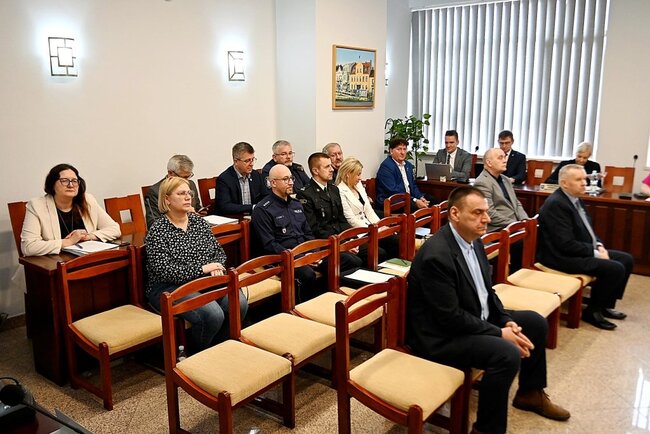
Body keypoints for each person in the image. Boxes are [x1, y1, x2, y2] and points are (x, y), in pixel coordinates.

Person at [406, 186, 570, 434]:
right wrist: (498, 333)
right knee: (506, 354)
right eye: (477, 213)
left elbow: (487, 292)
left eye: (486, 212)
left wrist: (504, 320)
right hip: (440, 336)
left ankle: (530, 393)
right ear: (455, 214)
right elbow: (449, 317)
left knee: (535, 322)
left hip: (472, 317)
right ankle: (486, 429)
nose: (486, 219)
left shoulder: (474, 241)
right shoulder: (437, 255)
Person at [145, 177, 248, 353]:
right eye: (181, 193)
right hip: (170, 287)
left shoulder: (198, 222)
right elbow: (166, 270)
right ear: (167, 199)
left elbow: (218, 252)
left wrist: (216, 266)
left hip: (204, 280)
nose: (188, 197)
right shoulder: (158, 230)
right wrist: (203, 268)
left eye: (189, 193)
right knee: (213, 315)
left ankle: (221, 348)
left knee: (239, 303)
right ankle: (196, 354)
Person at [537, 164, 634, 330]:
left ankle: (604, 305)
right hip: (560, 257)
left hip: (578, 250)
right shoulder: (556, 204)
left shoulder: (575, 199)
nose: (584, 183)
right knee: (614, 268)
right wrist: (595, 253)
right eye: (579, 180)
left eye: (584, 179)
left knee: (626, 259)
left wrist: (599, 245)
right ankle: (593, 311)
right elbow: (564, 244)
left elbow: (588, 229)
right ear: (564, 183)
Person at [252, 164, 320, 302]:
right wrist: (301, 257)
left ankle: (328, 304)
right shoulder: (263, 209)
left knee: (341, 261)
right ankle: (303, 309)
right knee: (307, 274)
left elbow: (308, 233)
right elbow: (269, 244)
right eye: (285, 179)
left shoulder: (296, 204)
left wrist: (314, 253)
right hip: (282, 258)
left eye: (291, 178)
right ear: (273, 183)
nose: (291, 182)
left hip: (304, 253)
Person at [21, 163, 121, 256]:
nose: (71, 185)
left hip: (88, 259)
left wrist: (88, 236)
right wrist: (69, 241)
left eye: (74, 181)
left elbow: (115, 229)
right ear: (52, 184)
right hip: (56, 263)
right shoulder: (37, 205)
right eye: (64, 180)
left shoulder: (87, 200)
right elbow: (28, 247)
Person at [296, 153, 362, 272]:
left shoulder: (333, 189)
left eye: (331, 166)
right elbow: (315, 229)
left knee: (375, 250)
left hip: (340, 239)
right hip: (325, 243)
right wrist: (342, 244)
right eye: (327, 167)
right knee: (354, 261)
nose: (332, 169)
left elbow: (341, 219)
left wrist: (351, 239)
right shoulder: (306, 194)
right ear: (315, 171)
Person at [474, 148, 529, 271]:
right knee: (522, 241)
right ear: (489, 163)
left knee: (536, 233)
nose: (505, 160)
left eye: (504, 157)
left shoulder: (505, 179)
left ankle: (528, 272)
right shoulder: (482, 182)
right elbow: (489, 213)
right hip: (497, 228)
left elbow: (516, 203)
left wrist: (525, 221)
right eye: (500, 158)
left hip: (513, 224)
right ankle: (514, 275)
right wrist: (516, 225)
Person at [337, 157, 401, 260]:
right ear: (348, 174)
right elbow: (351, 219)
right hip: (359, 231)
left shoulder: (358, 185)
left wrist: (380, 226)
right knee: (381, 252)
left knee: (395, 239)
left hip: (371, 227)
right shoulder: (340, 190)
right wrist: (374, 230)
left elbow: (369, 210)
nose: (360, 178)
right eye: (358, 174)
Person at [144, 155, 202, 228]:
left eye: (188, 176)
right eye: (183, 177)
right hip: (170, 231)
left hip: (194, 228)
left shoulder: (191, 184)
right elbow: (152, 224)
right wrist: (184, 215)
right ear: (170, 173)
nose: (186, 181)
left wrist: (199, 212)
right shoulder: (155, 191)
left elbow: (197, 207)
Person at [376, 137, 432, 210]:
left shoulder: (408, 165)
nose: (402, 152)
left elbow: (413, 186)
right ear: (391, 151)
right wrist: (415, 200)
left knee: (432, 200)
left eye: (404, 149)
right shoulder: (386, 167)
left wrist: (420, 197)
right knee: (416, 207)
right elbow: (393, 191)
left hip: (408, 199)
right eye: (399, 149)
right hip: (392, 201)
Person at [215, 142, 266, 216]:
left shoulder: (256, 175)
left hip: (255, 216)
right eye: (247, 161)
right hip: (234, 218)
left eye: (252, 159)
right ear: (236, 161)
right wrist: (252, 207)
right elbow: (225, 206)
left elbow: (265, 196)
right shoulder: (224, 179)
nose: (251, 164)